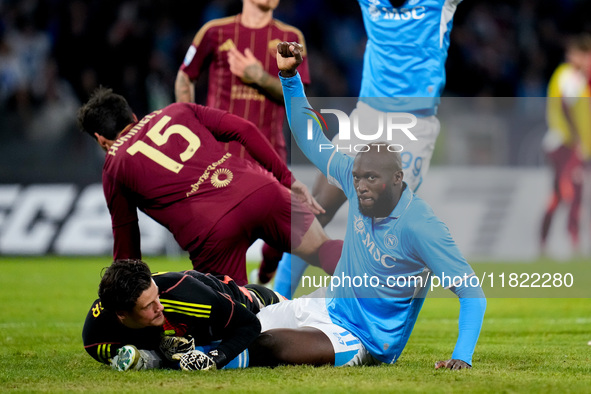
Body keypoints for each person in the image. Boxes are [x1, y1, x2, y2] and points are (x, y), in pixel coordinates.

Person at [249, 42, 486, 370]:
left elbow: (472, 293)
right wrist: (290, 77)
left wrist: (462, 356)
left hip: (362, 339)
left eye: (371, 179)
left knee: (269, 346)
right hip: (328, 304)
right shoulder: (352, 175)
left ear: (398, 179)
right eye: (358, 178)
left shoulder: (421, 225)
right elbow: (309, 138)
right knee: (245, 321)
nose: (360, 186)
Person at [274, 0, 465, 298]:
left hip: (414, 126)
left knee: (384, 229)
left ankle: (372, 322)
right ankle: (276, 299)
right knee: (316, 208)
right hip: (367, 115)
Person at [77, 87, 342, 286]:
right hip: (260, 189)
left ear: (100, 140)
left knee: (233, 316)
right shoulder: (177, 110)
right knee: (322, 248)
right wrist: (288, 180)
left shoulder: (114, 166)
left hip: (212, 230)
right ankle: (380, 291)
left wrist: (128, 295)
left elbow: (128, 248)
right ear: (133, 115)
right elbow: (245, 129)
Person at [175, 0, 311, 283]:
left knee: (287, 228)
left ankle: (265, 276)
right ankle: (219, 299)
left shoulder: (291, 38)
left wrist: (259, 77)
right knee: (217, 243)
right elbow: (185, 77)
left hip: (269, 152)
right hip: (219, 157)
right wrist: (190, 130)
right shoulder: (215, 32)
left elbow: (298, 98)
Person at [82, 259, 284, 371]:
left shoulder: (184, 295)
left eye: (157, 296)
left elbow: (249, 325)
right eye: (148, 305)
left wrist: (215, 358)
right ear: (121, 314)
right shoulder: (96, 338)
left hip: (254, 302)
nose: (159, 306)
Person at [540, 33, 591, 257]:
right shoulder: (569, 76)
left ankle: (543, 245)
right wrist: (577, 140)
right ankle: (574, 244)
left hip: (569, 145)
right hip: (565, 145)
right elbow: (566, 108)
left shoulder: (578, 78)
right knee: (573, 192)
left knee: (558, 196)